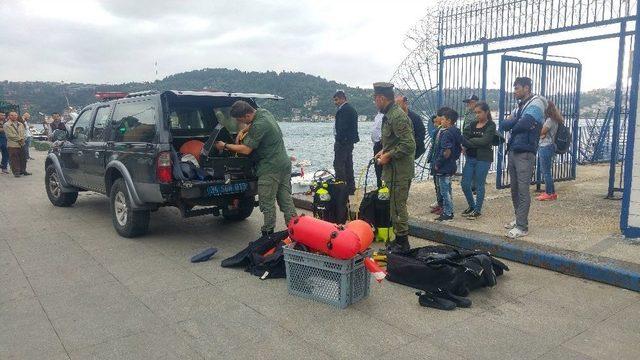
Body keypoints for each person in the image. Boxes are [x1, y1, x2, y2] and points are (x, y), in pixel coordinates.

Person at [214, 101, 297, 236]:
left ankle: (268, 234)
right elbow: (254, 125)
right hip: (284, 164)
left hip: (270, 167)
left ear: (247, 115)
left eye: (241, 120)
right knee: (285, 200)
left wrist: (225, 146)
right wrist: (244, 130)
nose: (240, 123)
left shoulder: (258, 125)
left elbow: (246, 150)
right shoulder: (264, 113)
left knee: (267, 202)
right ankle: (295, 232)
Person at [499, 77, 547, 238]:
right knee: (514, 189)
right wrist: (516, 122)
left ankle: (522, 227)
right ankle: (518, 218)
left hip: (526, 152)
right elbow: (503, 125)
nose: (514, 91)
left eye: (517, 88)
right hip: (513, 149)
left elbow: (524, 124)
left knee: (523, 189)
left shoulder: (537, 103)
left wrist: (515, 122)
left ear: (527, 88)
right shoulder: (520, 107)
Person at [373, 82, 416, 253]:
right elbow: (395, 140)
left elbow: (409, 144)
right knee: (394, 205)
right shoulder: (389, 115)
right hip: (393, 170)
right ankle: (398, 239)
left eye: (376, 100)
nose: (375, 103)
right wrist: (384, 150)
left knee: (398, 206)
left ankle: (403, 243)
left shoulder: (396, 116)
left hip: (400, 171)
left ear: (381, 98)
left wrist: (388, 156)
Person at [461, 102, 496, 219]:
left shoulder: (491, 125)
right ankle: (471, 205)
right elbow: (463, 137)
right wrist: (470, 142)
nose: (477, 115)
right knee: (465, 184)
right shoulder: (472, 124)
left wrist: (469, 142)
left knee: (480, 184)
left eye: (479, 112)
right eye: (475, 113)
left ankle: (477, 210)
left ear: (486, 112)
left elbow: (485, 141)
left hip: (483, 158)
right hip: (470, 157)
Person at [432, 107, 462, 222]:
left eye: (443, 119)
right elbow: (458, 147)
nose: (441, 121)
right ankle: (449, 211)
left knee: (445, 190)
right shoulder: (456, 131)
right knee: (447, 189)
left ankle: (448, 213)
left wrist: (438, 163)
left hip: (444, 167)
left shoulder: (446, 133)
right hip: (451, 165)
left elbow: (446, 151)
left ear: (449, 121)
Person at [332, 90, 359, 194]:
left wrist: (339, 140)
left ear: (342, 98)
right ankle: (350, 188)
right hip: (348, 142)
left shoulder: (344, 110)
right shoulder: (350, 109)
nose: (335, 102)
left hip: (343, 142)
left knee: (339, 165)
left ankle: (340, 189)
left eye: (336, 100)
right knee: (348, 164)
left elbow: (342, 128)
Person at [537, 101, 563, 201]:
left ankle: (549, 193)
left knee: (546, 172)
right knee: (547, 171)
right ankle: (551, 192)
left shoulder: (549, 120)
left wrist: (541, 132)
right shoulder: (555, 119)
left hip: (545, 146)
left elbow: (541, 132)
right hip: (551, 145)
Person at [4, 111, 30, 177]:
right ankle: (16, 172)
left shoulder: (20, 124)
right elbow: (9, 135)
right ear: (9, 116)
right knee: (14, 159)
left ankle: (23, 171)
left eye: (15, 115)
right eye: (12, 115)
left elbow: (24, 133)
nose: (14, 116)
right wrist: (20, 139)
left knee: (23, 158)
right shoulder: (6, 125)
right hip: (12, 144)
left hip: (22, 144)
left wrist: (23, 139)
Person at [427, 114, 444, 214]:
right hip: (434, 160)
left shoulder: (442, 131)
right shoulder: (437, 131)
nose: (434, 123)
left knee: (441, 185)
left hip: (438, 162)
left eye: (435, 121)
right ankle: (439, 202)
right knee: (437, 184)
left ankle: (443, 205)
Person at [371, 111, 384, 188]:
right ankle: (379, 187)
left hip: (382, 144)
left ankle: (383, 188)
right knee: (377, 168)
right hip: (376, 144)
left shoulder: (387, 115)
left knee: (382, 168)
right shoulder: (377, 116)